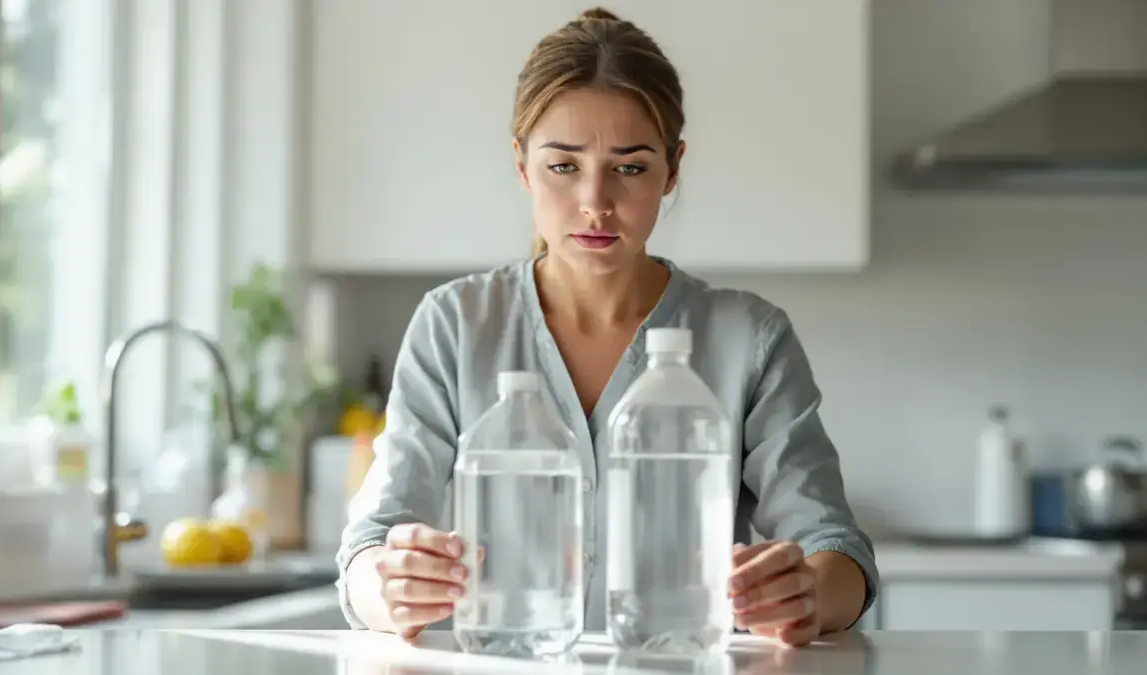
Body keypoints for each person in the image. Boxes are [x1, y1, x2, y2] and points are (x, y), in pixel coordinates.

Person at [336, 7, 878, 648]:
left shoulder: (749, 338)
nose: (595, 201)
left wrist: (807, 591)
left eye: (630, 167)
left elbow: (836, 548)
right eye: (563, 166)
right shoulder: (454, 325)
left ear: (672, 168)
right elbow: (370, 544)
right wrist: (389, 587)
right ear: (521, 164)